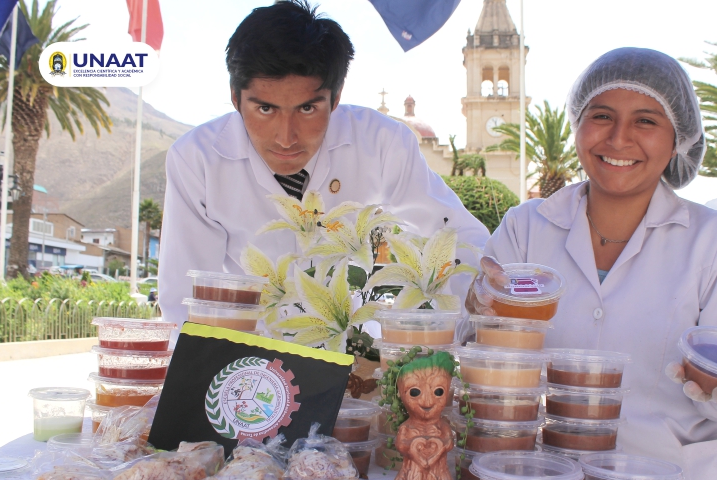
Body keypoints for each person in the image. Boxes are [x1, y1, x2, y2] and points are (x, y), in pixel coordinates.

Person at [466, 48, 717, 480]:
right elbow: (477, 355)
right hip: (544, 473)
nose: (619, 139)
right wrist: (478, 312)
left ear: (678, 139)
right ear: (578, 125)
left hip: (678, 475)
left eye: (646, 120)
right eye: (601, 116)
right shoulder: (526, 227)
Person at [158, 1, 489, 334]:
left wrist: (476, 299)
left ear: (335, 97)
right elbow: (185, 297)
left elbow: (458, 235)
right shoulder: (197, 161)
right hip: (247, 359)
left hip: (355, 354)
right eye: (265, 109)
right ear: (235, 98)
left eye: (306, 108)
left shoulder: (382, 143)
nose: (286, 137)